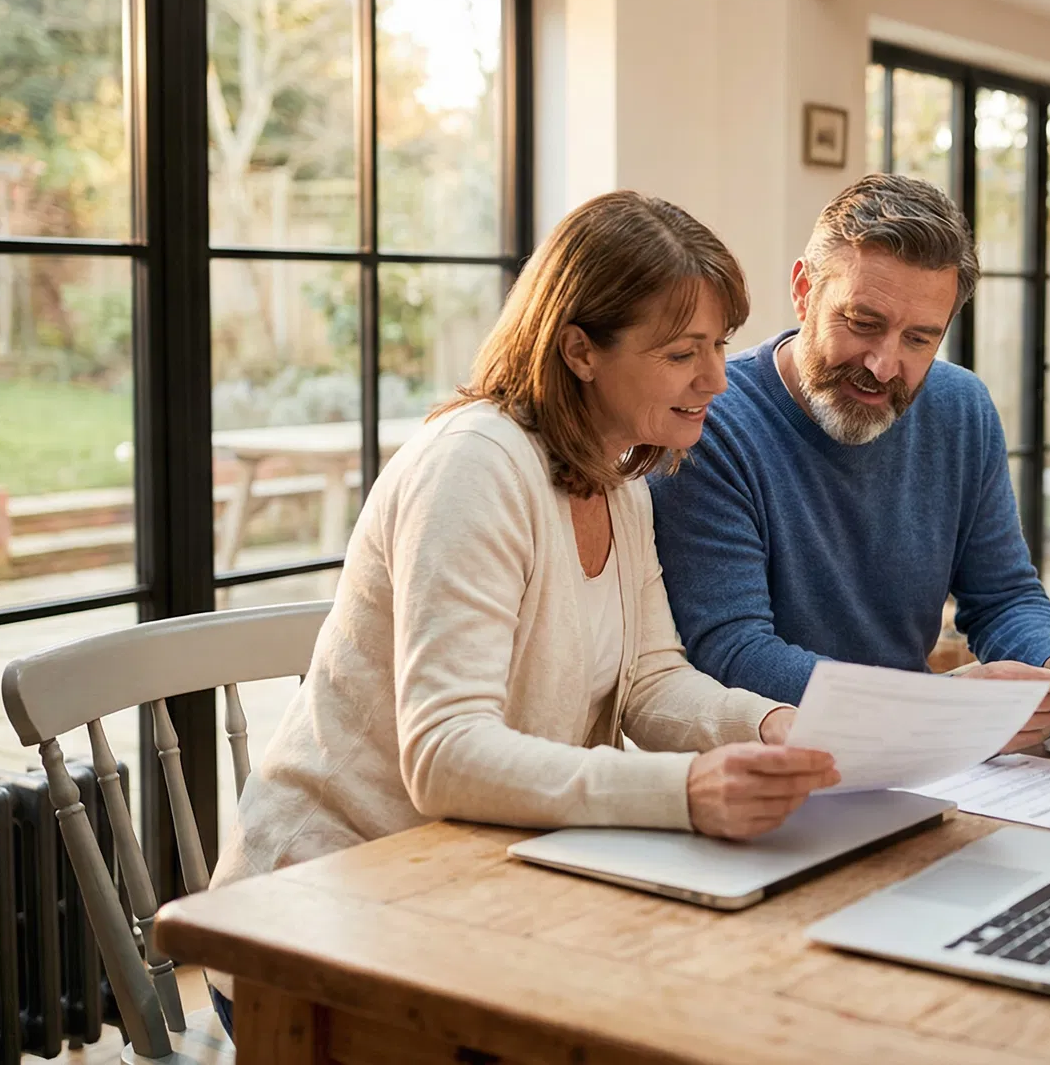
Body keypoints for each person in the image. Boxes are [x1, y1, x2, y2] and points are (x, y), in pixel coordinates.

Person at [207, 192, 838, 1037]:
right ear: (580, 349)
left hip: (479, 876)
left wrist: (767, 725)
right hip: (326, 907)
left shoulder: (619, 482)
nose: (717, 380)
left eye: (720, 346)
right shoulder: (475, 466)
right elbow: (445, 753)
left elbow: (651, 680)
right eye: (683, 352)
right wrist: (684, 789)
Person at [649, 173, 1050, 752]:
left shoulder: (961, 408)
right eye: (863, 323)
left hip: (917, 751)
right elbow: (734, 654)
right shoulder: (707, 424)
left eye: (919, 339)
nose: (885, 365)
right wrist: (941, 702)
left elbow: (1004, 595)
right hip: (766, 764)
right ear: (803, 290)